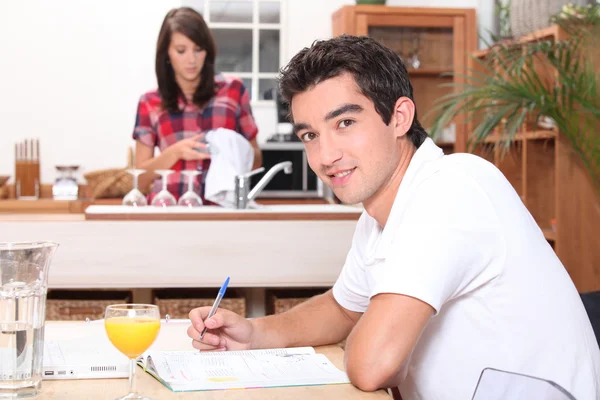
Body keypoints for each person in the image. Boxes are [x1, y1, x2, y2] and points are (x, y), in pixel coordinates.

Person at [186, 35, 600, 399]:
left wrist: (383, 354)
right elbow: (341, 308)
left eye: (345, 122)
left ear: (399, 117)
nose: (325, 156)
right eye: (310, 135)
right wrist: (253, 334)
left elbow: (372, 365)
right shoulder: (380, 215)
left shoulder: (451, 188)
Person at [132, 7, 262, 203]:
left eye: (198, 49)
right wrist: (175, 153)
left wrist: (232, 148)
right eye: (181, 51)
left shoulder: (234, 90)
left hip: (222, 211)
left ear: (207, 51)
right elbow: (140, 180)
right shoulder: (150, 102)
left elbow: (256, 161)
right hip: (169, 211)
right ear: (166, 53)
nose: (191, 60)